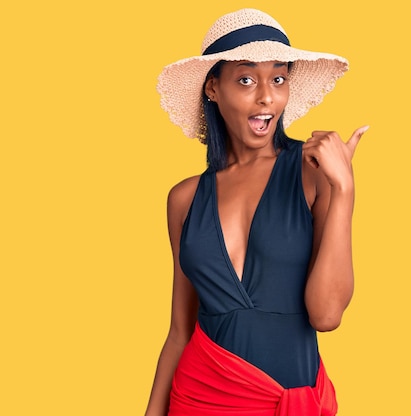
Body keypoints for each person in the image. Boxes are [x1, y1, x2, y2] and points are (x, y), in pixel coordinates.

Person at [145, 8, 368, 416]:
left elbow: (326, 314)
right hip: (198, 397)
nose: (267, 96)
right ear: (214, 88)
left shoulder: (314, 172)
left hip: (286, 400)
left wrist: (344, 190)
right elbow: (180, 331)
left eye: (278, 78)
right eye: (246, 79)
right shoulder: (185, 199)